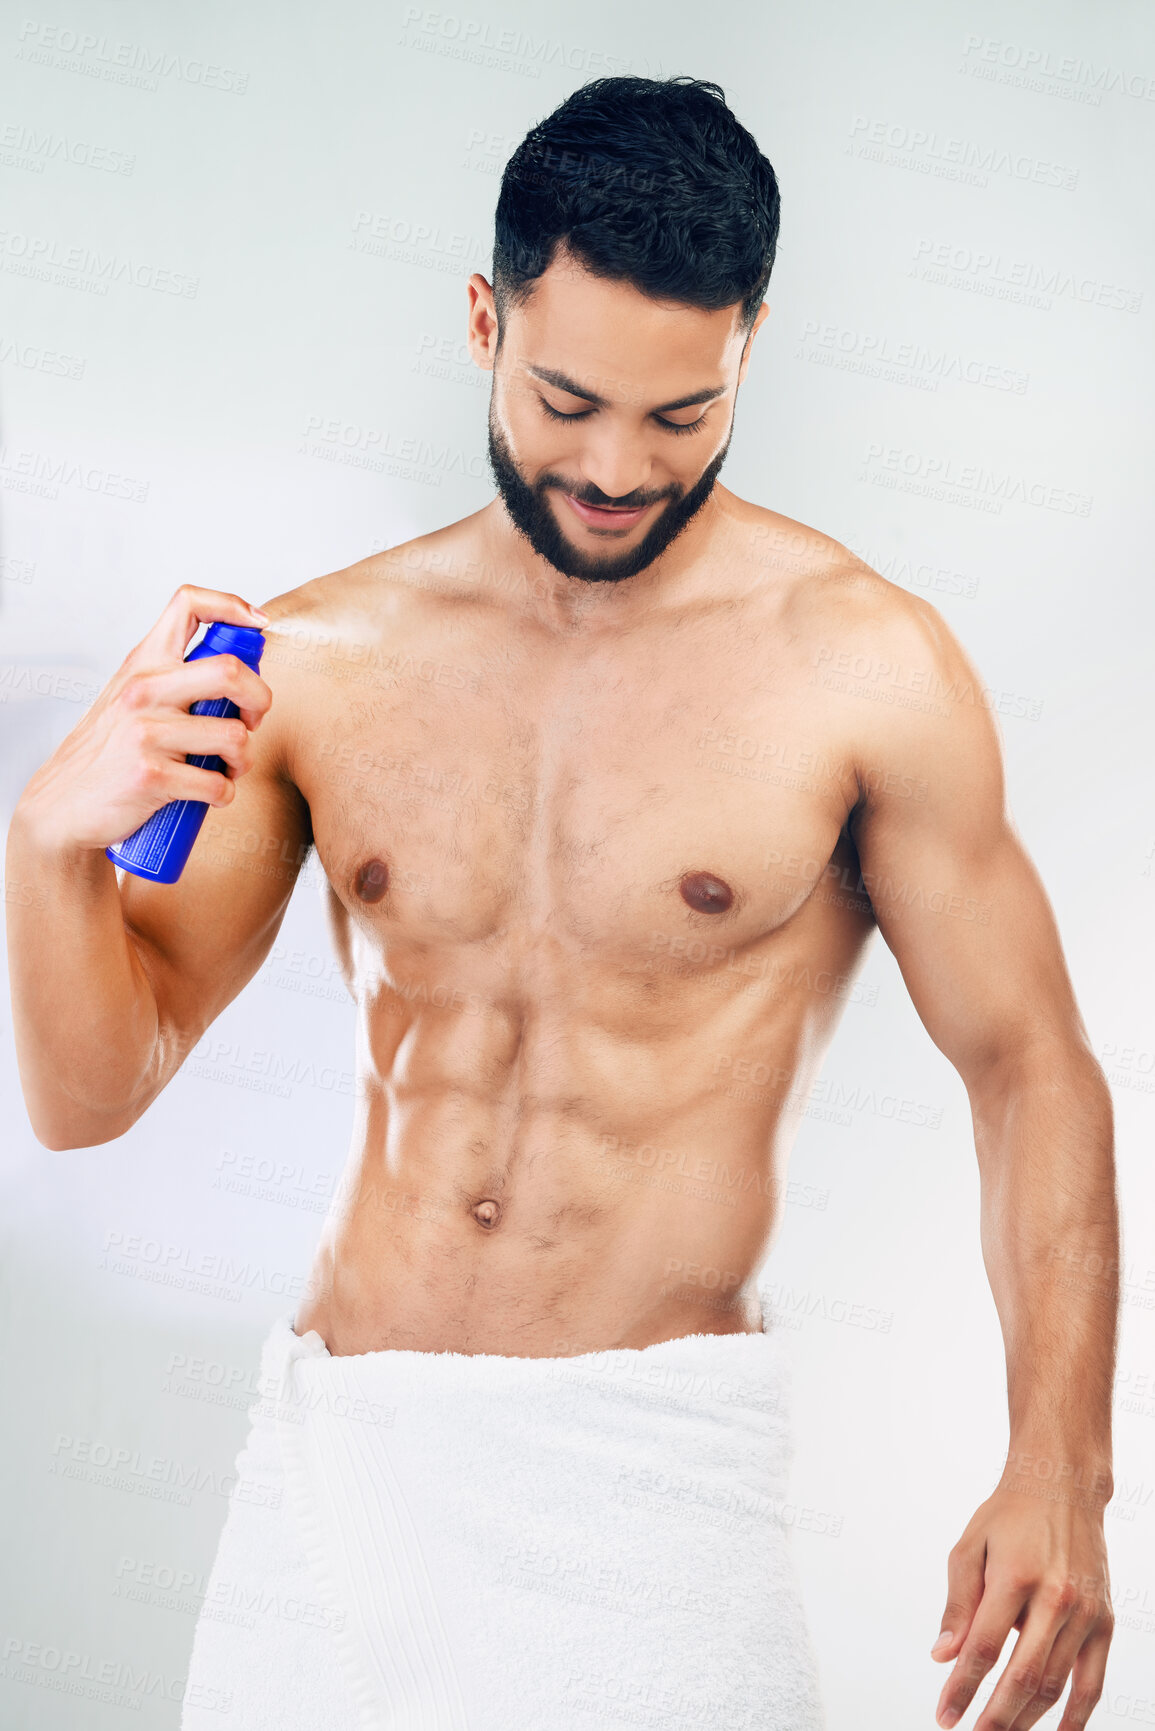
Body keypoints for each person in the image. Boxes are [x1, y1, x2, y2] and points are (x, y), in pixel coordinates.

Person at [6, 74, 1117, 1731]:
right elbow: (93, 1093)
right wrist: (45, 846)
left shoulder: (867, 671)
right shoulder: (315, 662)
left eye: (681, 417)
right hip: (342, 1477)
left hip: (655, 1484)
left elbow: (1030, 1063)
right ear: (483, 318)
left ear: (748, 345)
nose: (612, 470)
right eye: (567, 399)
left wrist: (1063, 1468)